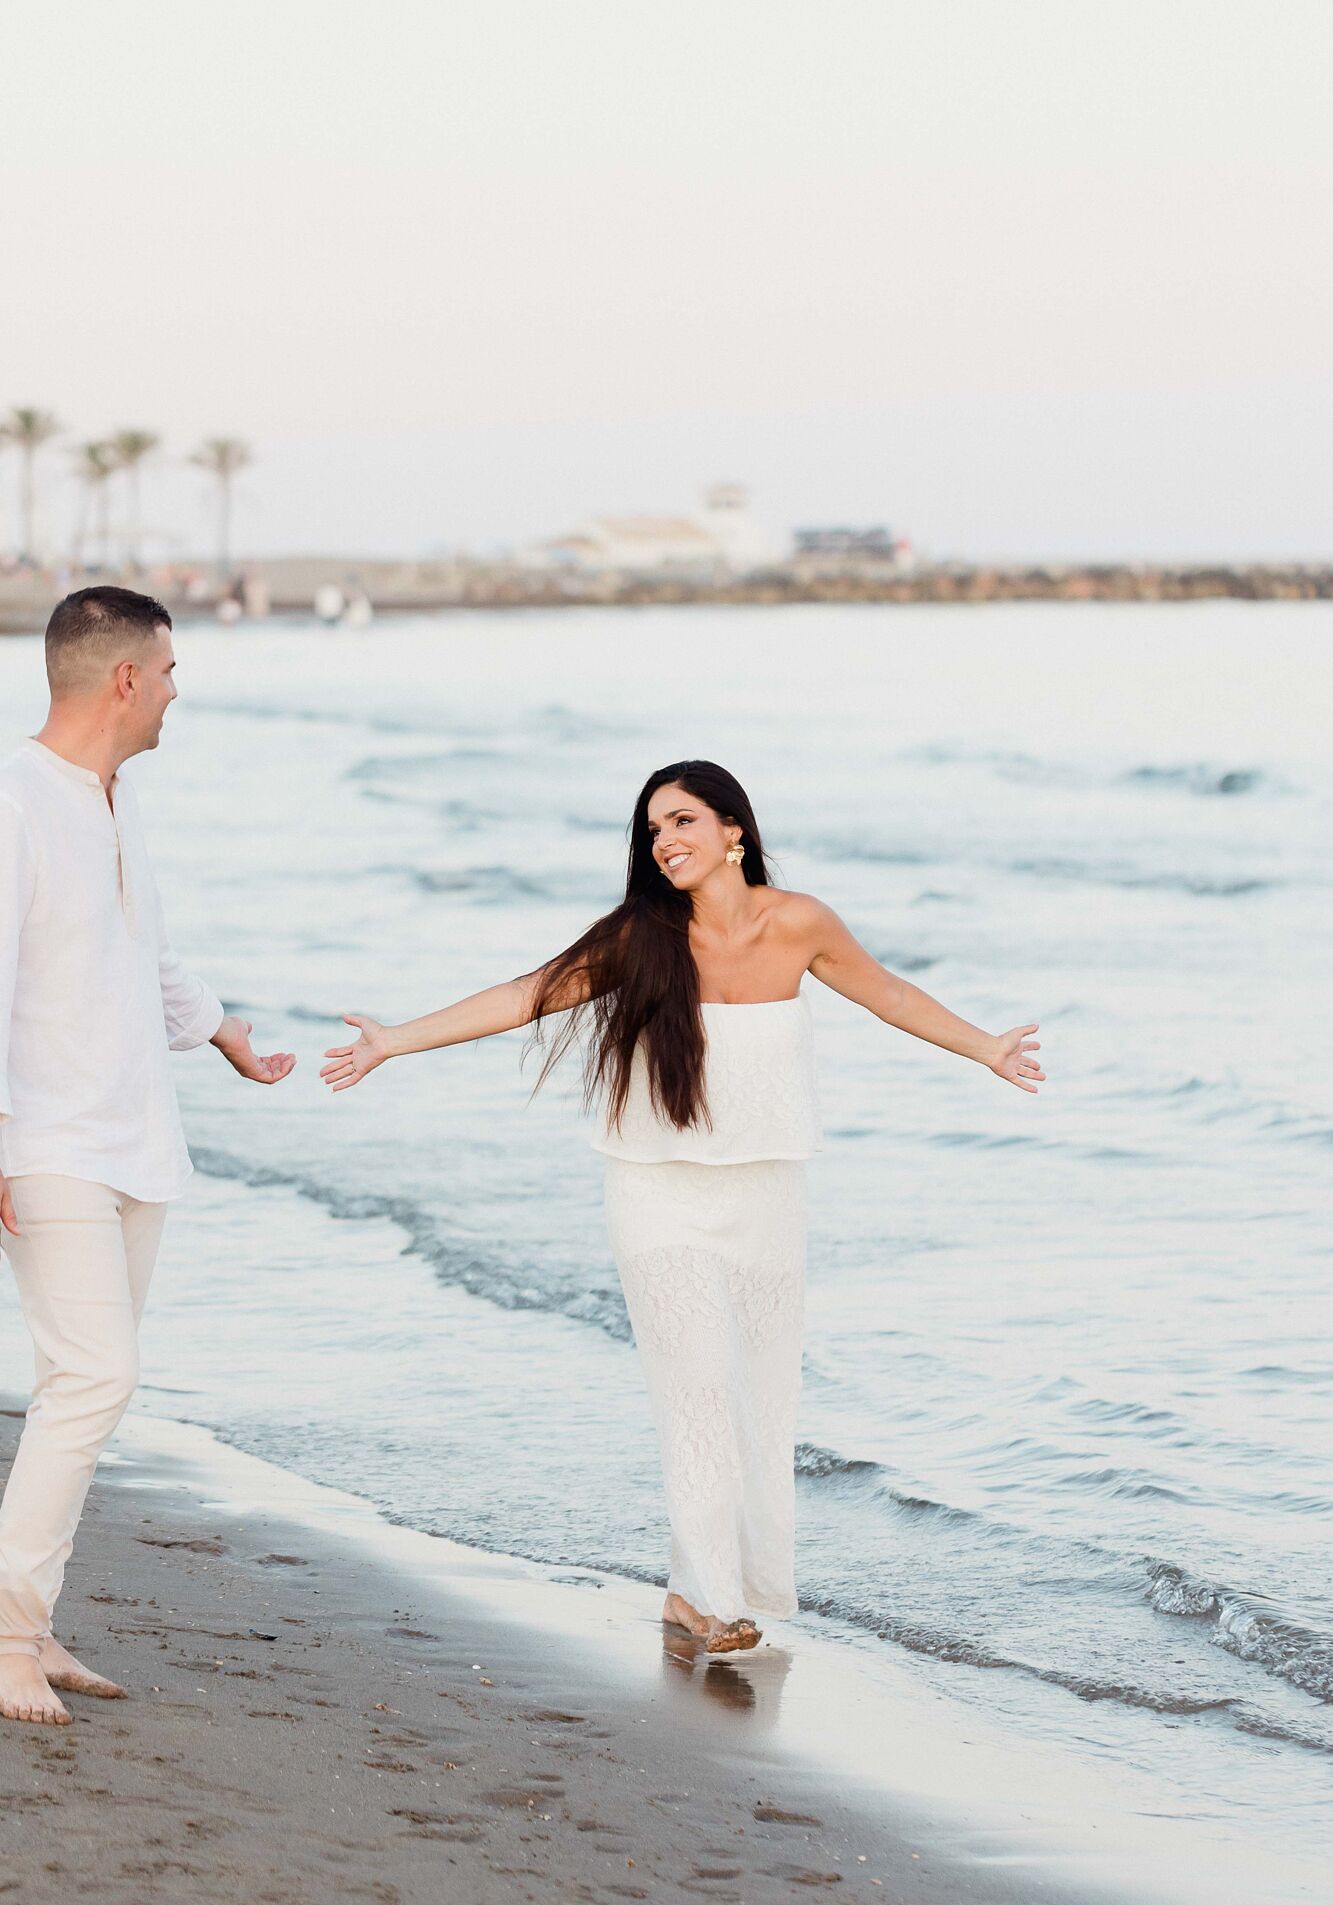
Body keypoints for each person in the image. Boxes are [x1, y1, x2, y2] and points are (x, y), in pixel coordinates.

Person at [320, 759, 1044, 1653]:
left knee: (759, 1398)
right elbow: (526, 995)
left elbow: (888, 993)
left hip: (766, 1190)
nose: (664, 841)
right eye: (652, 829)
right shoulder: (640, 937)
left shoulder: (800, 923)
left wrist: (984, 1048)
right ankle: (712, 1602)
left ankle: (689, 1590)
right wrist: (395, 1040)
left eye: (682, 821)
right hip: (655, 1190)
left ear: (733, 829)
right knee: (696, 1389)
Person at [0, 586, 296, 1727]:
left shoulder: (116, 799)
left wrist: (223, 1033)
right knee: (96, 1377)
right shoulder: (16, 800)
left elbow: (143, 949)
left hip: (134, 1138)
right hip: (48, 1141)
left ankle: (33, 1621)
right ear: (125, 678)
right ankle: (9, 1634)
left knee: (83, 1390)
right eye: (169, 671)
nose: (177, 691)